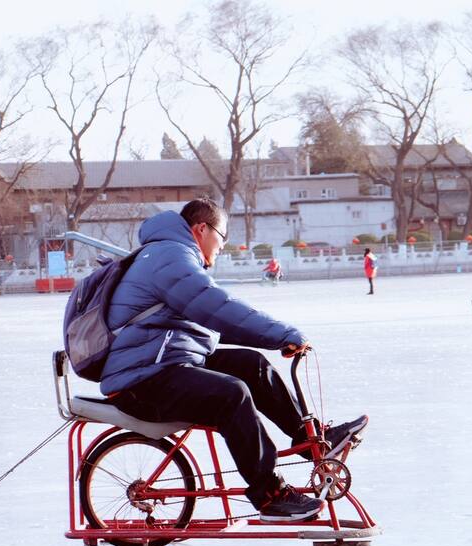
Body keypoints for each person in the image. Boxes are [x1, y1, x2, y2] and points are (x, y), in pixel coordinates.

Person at [100, 198, 368, 522]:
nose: (223, 246)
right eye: (222, 237)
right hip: (140, 382)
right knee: (232, 394)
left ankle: (311, 440)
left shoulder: (168, 253)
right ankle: (270, 495)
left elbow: (213, 323)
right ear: (202, 229)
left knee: (251, 365)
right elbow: (219, 309)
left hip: (161, 362)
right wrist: (281, 334)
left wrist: (272, 339)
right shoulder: (172, 257)